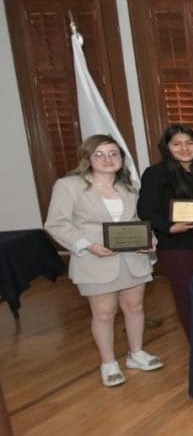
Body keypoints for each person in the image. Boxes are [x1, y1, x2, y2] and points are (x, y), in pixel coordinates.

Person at [44, 135, 162, 387]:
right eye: (99, 154)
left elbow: (136, 221)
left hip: (133, 258)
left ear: (121, 158)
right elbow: (56, 223)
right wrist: (88, 245)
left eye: (113, 154)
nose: (108, 159)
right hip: (94, 259)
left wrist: (149, 239)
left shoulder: (128, 187)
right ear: (87, 158)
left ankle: (136, 353)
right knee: (104, 313)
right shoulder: (69, 186)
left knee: (135, 308)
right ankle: (108, 363)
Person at [136, 125, 193, 336]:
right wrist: (170, 227)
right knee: (185, 293)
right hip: (177, 244)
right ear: (167, 147)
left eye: (189, 143)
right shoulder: (155, 173)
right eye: (177, 144)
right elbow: (146, 210)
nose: (185, 148)